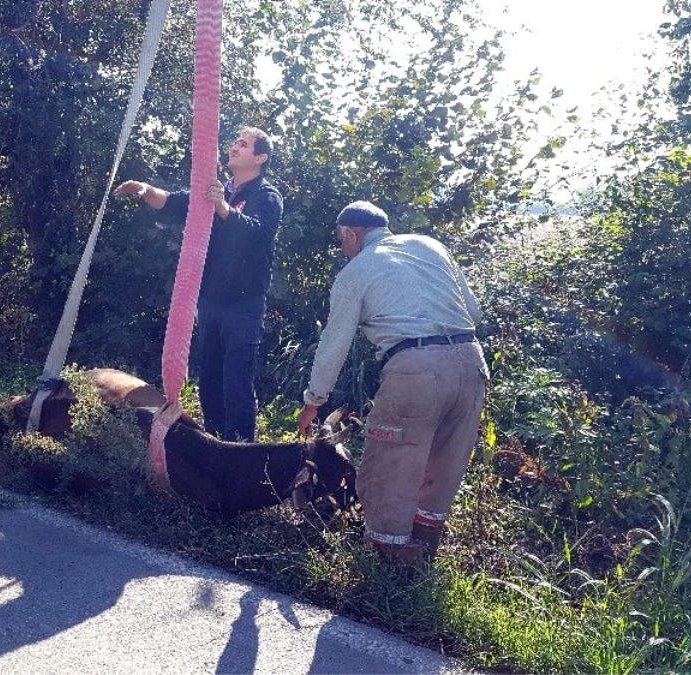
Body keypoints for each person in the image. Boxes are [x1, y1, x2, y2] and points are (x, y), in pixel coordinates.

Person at [296, 201, 487, 565]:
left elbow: (334, 344)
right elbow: (474, 312)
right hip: (471, 363)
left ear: (351, 234)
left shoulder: (356, 272)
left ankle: (386, 568)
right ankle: (424, 556)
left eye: (342, 241)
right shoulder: (430, 246)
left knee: (390, 467)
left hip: (416, 367)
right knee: (444, 466)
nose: (343, 248)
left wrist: (313, 401)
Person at [113, 127, 283, 441]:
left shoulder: (266, 196)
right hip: (210, 300)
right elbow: (176, 203)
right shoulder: (218, 189)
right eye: (234, 142)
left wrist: (222, 208)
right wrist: (146, 189)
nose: (234, 147)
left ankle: (241, 448)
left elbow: (256, 233)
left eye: (243, 145)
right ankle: (215, 442)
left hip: (244, 304)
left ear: (260, 157)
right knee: (209, 378)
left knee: (236, 379)